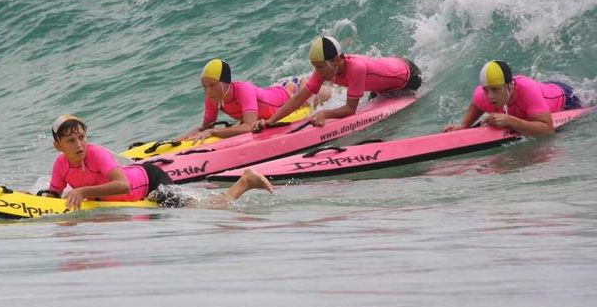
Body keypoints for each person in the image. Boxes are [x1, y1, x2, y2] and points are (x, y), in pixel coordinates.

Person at [46, 114, 274, 210]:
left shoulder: (97, 154)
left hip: (151, 181)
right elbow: (53, 195)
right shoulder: (60, 164)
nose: (79, 145)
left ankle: (245, 181)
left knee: (203, 208)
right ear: (58, 146)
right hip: (133, 188)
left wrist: (83, 191)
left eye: (82, 137)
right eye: (71, 140)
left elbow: (123, 185)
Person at [253, 35, 423, 130]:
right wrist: (271, 121)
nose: (317, 73)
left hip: (408, 78)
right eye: (315, 67)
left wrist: (325, 114)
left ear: (336, 61)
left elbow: (350, 109)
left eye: (319, 67)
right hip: (383, 86)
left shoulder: (356, 68)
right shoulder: (327, 68)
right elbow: (298, 98)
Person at [178, 58, 331, 141]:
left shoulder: (243, 89)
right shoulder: (212, 98)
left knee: (335, 93)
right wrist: (186, 136)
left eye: (212, 85)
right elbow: (205, 127)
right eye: (204, 87)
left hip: (294, 91)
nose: (208, 91)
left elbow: (248, 126)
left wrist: (214, 131)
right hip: (276, 90)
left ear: (225, 83)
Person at [443, 60, 582, 136]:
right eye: (486, 90)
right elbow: (476, 104)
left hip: (567, 98)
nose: (490, 96)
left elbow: (547, 129)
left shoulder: (527, 90)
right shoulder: (483, 94)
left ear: (510, 86)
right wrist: (463, 126)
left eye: (495, 90)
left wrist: (510, 121)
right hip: (539, 97)